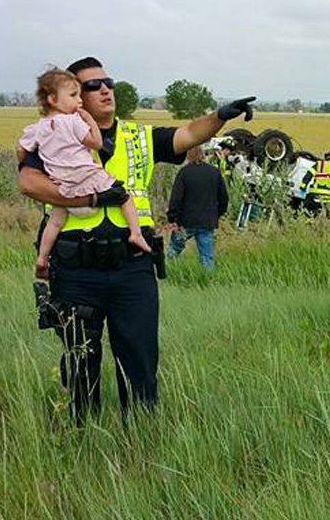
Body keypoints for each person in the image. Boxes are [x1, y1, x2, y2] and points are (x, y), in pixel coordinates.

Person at [18, 56, 254, 424]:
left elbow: (190, 134)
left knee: (140, 359)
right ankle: (81, 435)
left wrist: (221, 115)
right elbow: (29, 182)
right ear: (73, 96)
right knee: (80, 360)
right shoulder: (54, 132)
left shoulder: (138, 136)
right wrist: (91, 199)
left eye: (108, 82)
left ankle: (140, 439)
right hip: (77, 268)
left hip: (133, 266)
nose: (105, 89)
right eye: (92, 85)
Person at [18, 68, 151, 279]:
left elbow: (21, 150)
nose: (79, 101)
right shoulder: (73, 122)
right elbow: (96, 143)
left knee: (54, 221)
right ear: (53, 99)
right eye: (73, 96)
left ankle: (42, 258)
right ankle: (136, 234)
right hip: (89, 180)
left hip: (65, 190)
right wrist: (88, 120)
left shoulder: (37, 128)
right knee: (124, 197)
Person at [166, 146, 229, 269]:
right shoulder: (214, 172)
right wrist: (218, 214)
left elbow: (176, 198)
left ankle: (168, 276)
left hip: (185, 221)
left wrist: (172, 218)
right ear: (203, 155)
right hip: (207, 221)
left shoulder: (184, 172)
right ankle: (206, 282)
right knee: (207, 257)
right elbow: (224, 198)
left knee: (173, 252)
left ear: (188, 156)